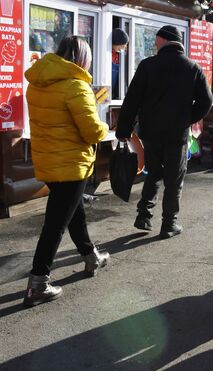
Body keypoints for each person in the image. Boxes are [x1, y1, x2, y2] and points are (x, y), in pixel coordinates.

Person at [23, 36, 110, 306]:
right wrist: (107, 128)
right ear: (82, 58)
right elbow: (92, 131)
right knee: (56, 224)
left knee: (73, 212)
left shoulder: (37, 84)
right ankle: (38, 281)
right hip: (72, 163)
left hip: (50, 162)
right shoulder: (76, 86)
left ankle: (90, 256)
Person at [116, 25, 213, 239]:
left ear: (162, 40)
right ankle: (169, 224)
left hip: (150, 132)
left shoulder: (148, 65)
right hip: (176, 134)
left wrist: (123, 129)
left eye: (156, 39)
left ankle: (144, 215)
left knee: (154, 173)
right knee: (174, 179)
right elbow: (207, 100)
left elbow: (132, 99)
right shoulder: (192, 67)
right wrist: (188, 118)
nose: (154, 43)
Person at [111, 28, 129, 100]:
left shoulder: (119, 56)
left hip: (112, 94)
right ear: (118, 42)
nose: (125, 47)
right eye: (124, 44)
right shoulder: (106, 54)